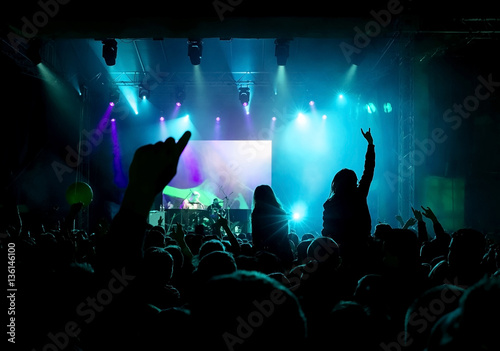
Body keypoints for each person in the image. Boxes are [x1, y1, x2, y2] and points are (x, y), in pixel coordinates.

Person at [322, 128, 375, 266]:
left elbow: (326, 230)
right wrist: (370, 144)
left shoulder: (330, 204)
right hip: (362, 249)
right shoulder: (359, 195)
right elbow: (368, 170)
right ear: (354, 181)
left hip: (339, 252)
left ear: (336, 184)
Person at [251, 184, 293, 269]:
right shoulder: (281, 212)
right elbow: (285, 234)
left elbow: (256, 236)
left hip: (265, 253)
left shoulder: (257, 214)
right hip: (283, 251)